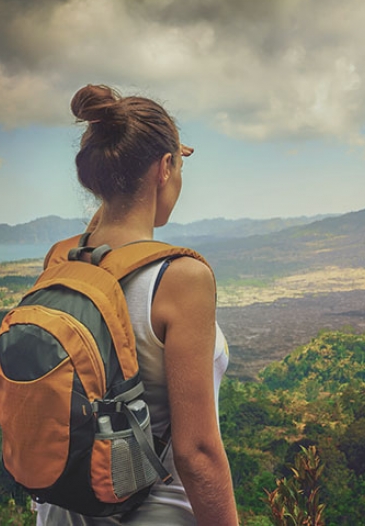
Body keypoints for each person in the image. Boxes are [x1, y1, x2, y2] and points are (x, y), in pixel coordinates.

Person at [36, 84, 239, 526]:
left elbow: (106, 236)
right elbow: (196, 452)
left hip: (60, 515)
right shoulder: (181, 278)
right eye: (177, 166)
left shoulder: (62, 260)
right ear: (165, 168)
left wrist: (144, 158)